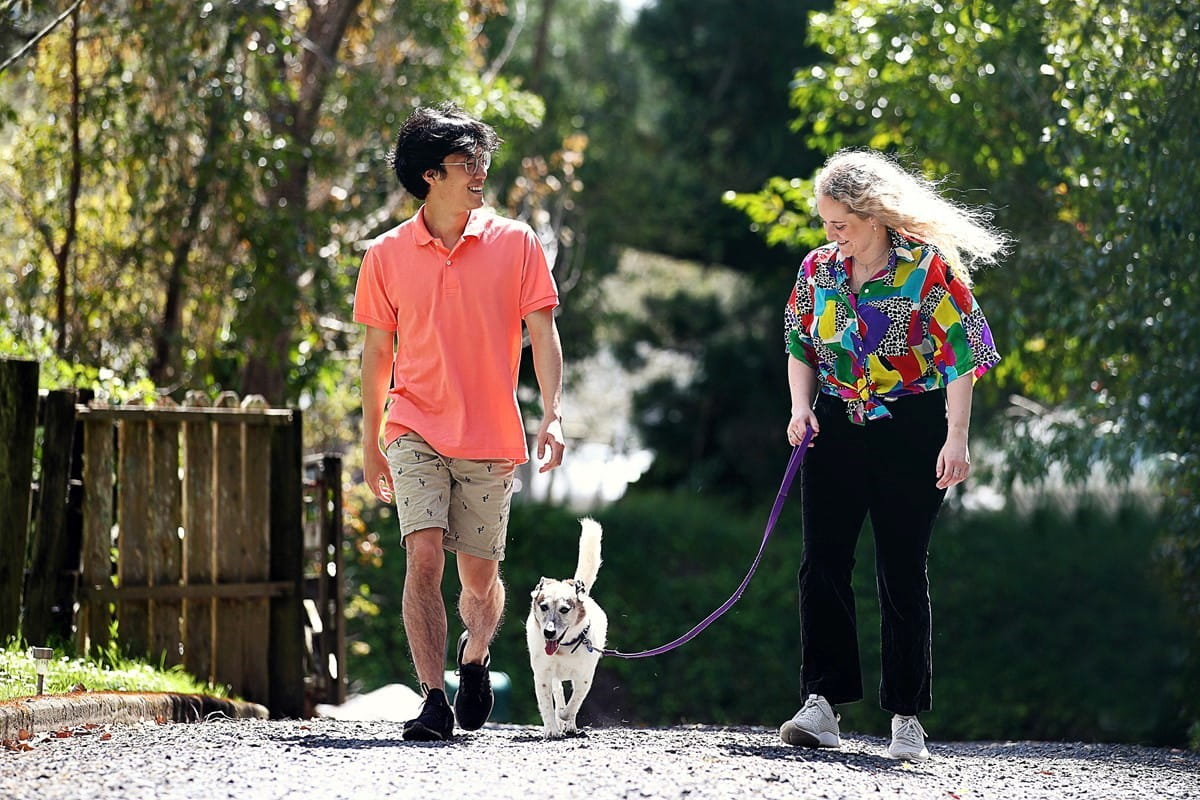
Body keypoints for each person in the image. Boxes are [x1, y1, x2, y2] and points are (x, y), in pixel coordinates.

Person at [778, 149, 1010, 761]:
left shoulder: (927, 270)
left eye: (842, 225)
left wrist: (956, 437)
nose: (832, 236)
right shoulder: (817, 271)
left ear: (874, 217)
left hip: (911, 427)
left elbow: (965, 352)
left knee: (901, 569)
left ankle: (906, 717)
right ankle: (822, 703)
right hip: (833, 425)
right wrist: (801, 408)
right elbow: (800, 341)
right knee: (820, 562)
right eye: (827, 225)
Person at [354, 104, 565, 741]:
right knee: (423, 559)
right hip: (413, 426)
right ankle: (432, 697)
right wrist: (371, 441)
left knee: (478, 577)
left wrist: (553, 416)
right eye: (464, 163)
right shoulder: (387, 255)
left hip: (490, 434)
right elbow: (375, 355)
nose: (479, 173)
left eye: (481, 161)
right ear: (428, 175)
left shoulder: (517, 243)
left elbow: (544, 335)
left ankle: (474, 661)